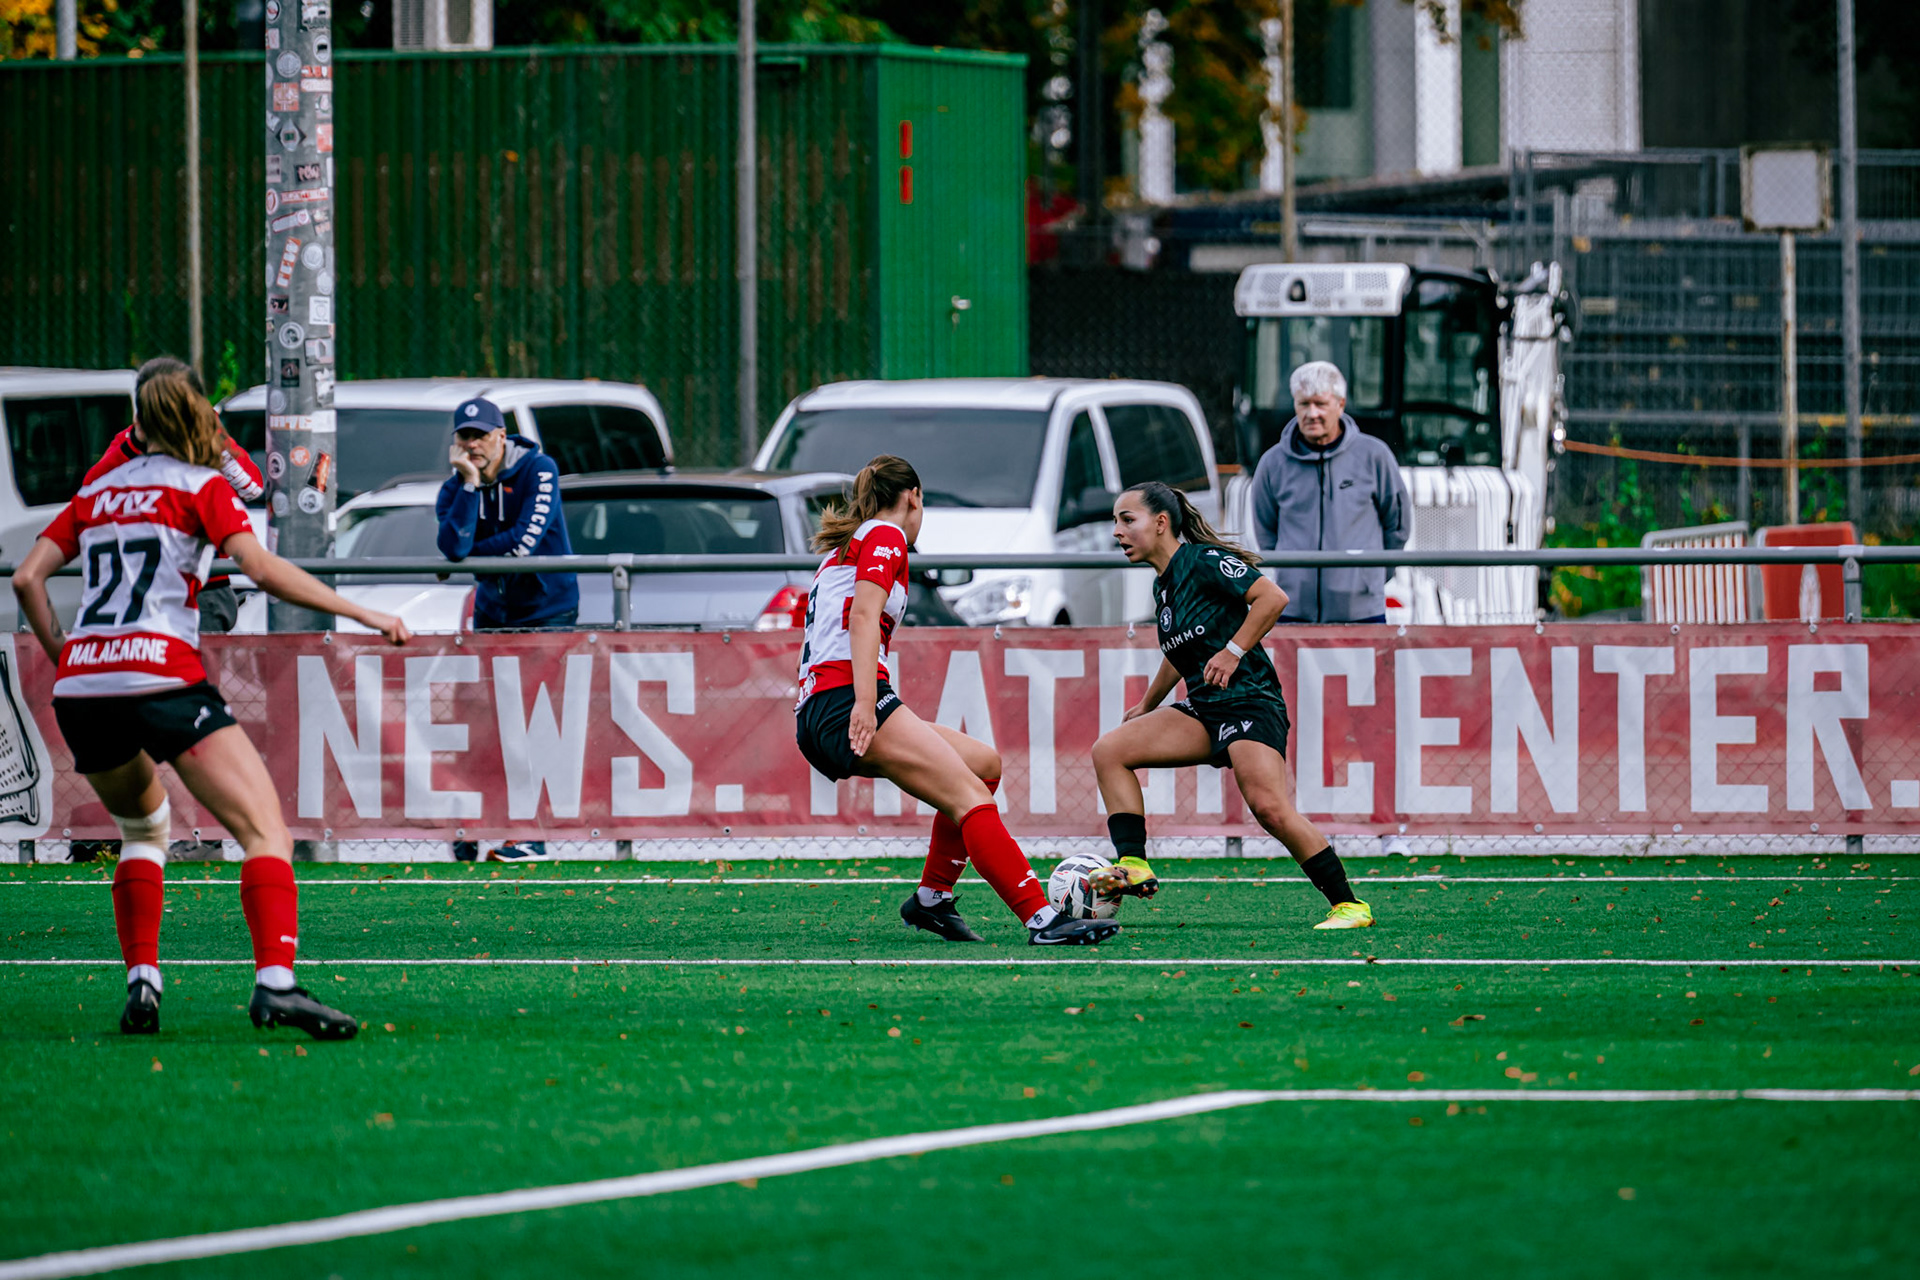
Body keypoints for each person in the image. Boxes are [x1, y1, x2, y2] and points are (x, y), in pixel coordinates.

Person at [11, 368, 413, 1038]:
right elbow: (261, 568)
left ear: (137, 424)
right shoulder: (202, 486)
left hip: (83, 688)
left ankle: (143, 983)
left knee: (143, 829)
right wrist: (363, 611)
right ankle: (276, 985)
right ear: (199, 418)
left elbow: (28, 577)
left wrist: (67, 658)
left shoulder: (96, 489)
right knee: (265, 832)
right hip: (161, 676)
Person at [793, 455, 1118, 946]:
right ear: (914, 497)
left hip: (828, 700)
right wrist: (864, 703)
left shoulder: (850, 544)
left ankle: (932, 899)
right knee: (970, 799)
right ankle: (1041, 919)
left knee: (982, 764)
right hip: (844, 700)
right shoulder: (886, 534)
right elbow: (861, 618)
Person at [1087, 481, 1373, 930]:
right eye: (1115, 522)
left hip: (1249, 700)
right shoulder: (1164, 588)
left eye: (1127, 520)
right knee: (1110, 750)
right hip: (1205, 708)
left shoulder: (1203, 561)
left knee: (1270, 809)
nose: (1117, 532)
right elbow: (1179, 652)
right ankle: (1134, 864)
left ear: (1161, 523)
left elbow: (1272, 598)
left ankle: (1350, 906)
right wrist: (1147, 703)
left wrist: (1234, 650)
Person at [1249, 359, 1413, 856]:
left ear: (1341, 405)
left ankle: (1387, 827)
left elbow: (1397, 525)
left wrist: (1364, 582)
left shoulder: (1373, 456)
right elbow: (1266, 531)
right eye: (1304, 404)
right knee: (1291, 720)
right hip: (1293, 618)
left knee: (1372, 721)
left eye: (1322, 403)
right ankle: (1298, 824)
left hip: (1363, 616)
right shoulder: (1273, 464)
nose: (1312, 414)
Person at [435, 396, 578, 861]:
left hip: (546, 610)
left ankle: (529, 833)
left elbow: (524, 544)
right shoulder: (457, 485)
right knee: (484, 720)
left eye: (481, 435)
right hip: (492, 612)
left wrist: (470, 554)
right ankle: (476, 822)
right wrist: (471, 484)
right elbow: (451, 544)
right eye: (464, 436)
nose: (472, 444)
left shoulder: (539, 469)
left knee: (529, 721)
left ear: (501, 436)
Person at [87, 357, 265, 635]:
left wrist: (214, 438)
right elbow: (90, 491)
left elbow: (253, 487)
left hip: (203, 588)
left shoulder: (207, 446)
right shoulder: (130, 441)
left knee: (194, 672)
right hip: (141, 587)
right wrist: (136, 441)